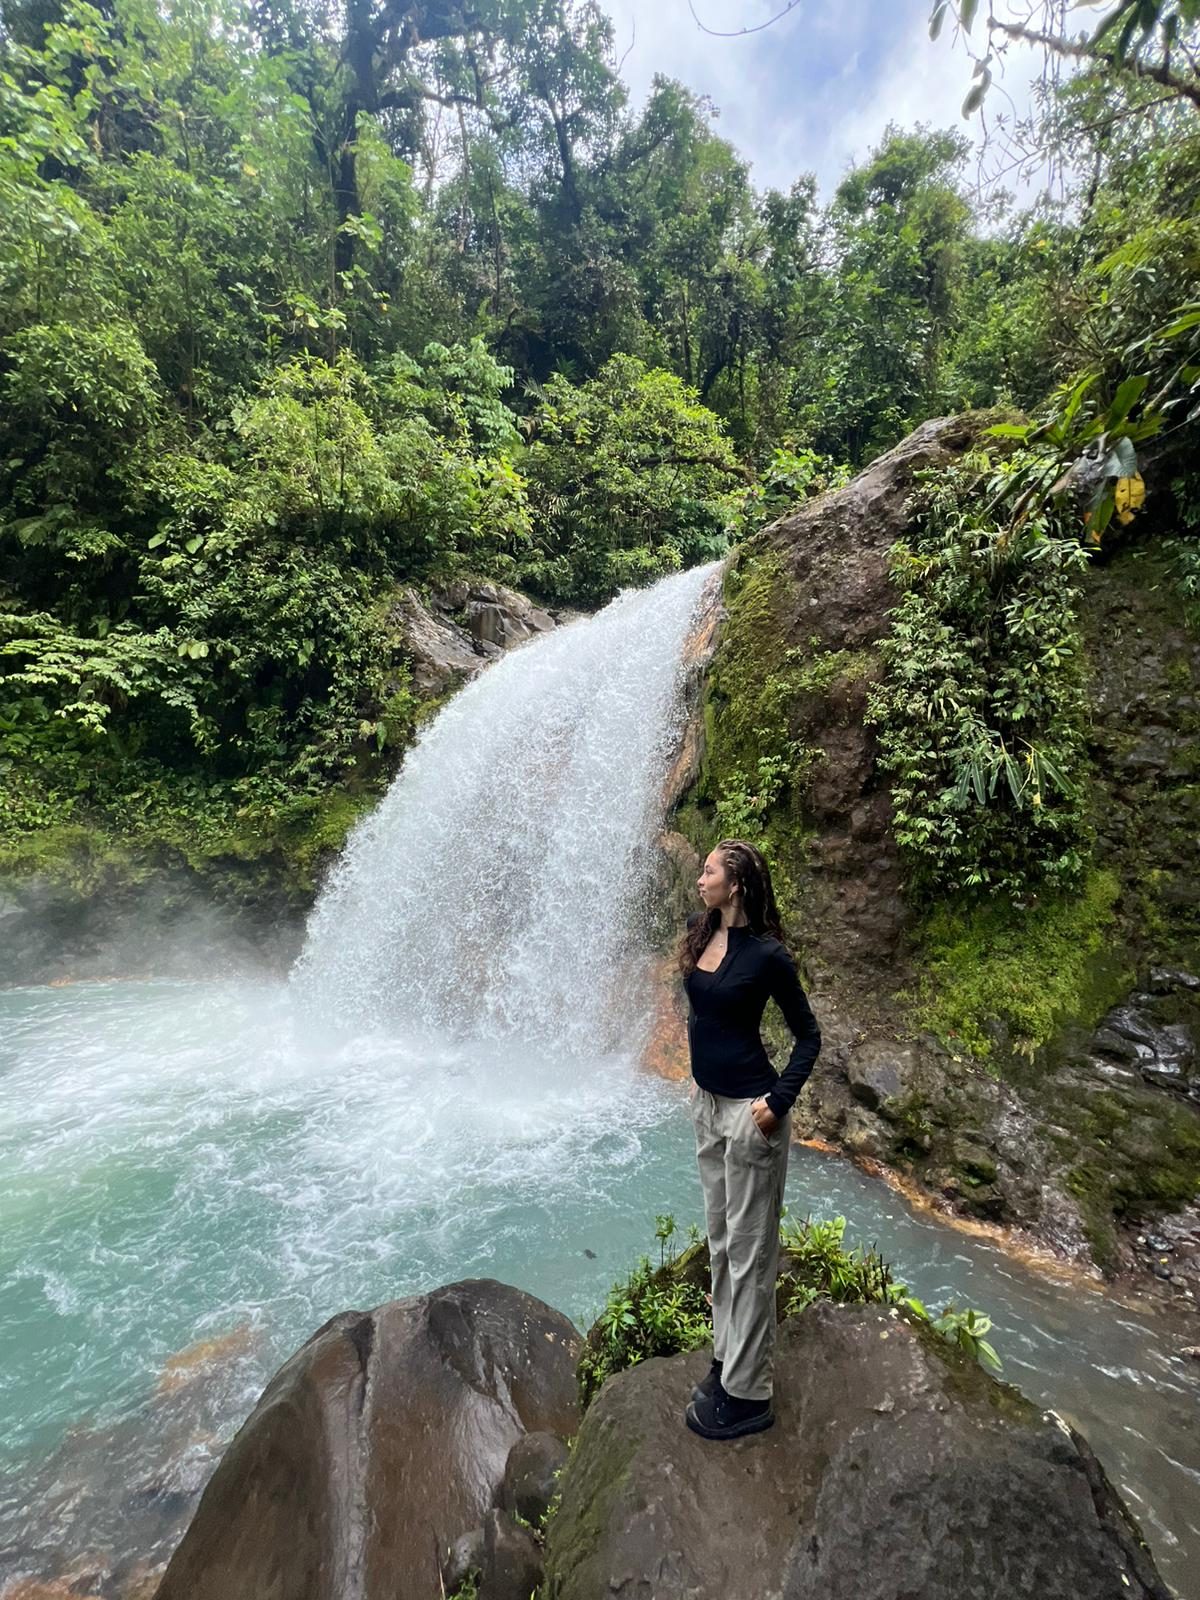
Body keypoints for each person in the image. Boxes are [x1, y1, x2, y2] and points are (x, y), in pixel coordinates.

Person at [680, 837, 822, 1441]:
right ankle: (726, 1358)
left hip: (749, 1114)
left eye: (708, 872)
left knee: (751, 1254)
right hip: (708, 1109)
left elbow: (808, 1037)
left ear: (734, 884)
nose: (700, 880)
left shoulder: (768, 957)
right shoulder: (700, 931)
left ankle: (749, 1396)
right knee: (720, 1245)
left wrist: (777, 1102)